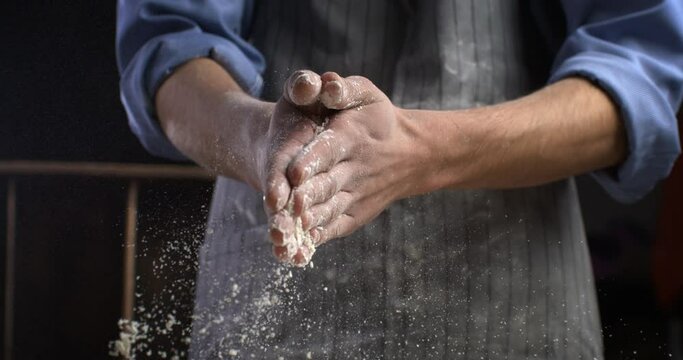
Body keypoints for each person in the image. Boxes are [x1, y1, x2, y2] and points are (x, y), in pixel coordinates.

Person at [116, 0, 683, 358]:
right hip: (281, 253)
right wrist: (257, 136)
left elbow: (638, 79)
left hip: (511, 297)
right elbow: (171, 44)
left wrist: (420, 150)